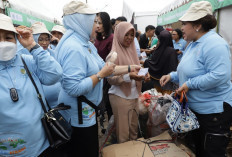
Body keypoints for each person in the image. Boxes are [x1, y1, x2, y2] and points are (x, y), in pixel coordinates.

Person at [55, 2, 140, 156]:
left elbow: (106, 67)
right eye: (94, 21)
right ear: (81, 20)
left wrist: (130, 67)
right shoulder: (73, 47)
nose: (98, 26)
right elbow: (73, 88)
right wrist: (100, 75)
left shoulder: (85, 44)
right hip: (79, 116)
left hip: (87, 111)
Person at [160, 1, 232, 157]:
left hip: (213, 115)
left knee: (211, 152)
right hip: (197, 112)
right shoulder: (192, 44)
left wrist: (189, 84)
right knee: (199, 150)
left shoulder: (215, 44)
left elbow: (220, 75)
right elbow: (188, 70)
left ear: (197, 25)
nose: (181, 27)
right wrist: (172, 75)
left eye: (185, 23)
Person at [0, 13, 62, 157]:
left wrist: (32, 46)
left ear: (16, 40)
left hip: (43, 146)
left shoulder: (27, 61)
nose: (3, 43)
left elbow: (55, 74)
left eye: (8, 37)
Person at [107, 22, 150, 143]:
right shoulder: (113, 55)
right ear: (119, 34)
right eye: (126, 34)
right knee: (123, 135)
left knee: (133, 131)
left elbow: (137, 70)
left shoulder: (132, 52)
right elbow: (110, 78)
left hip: (134, 95)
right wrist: (128, 77)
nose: (129, 38)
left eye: (132, 35)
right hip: (120, 96)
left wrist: (143, 76)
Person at [31, 22, 61, 109]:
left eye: (47, 39)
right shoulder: (26, 56)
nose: (44, 43)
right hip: (39, 106)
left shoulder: (53, 53)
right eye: (40, 39)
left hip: (58, 104)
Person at [94, 12, 114, 122]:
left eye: (100, 23)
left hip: (107, 75)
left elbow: (112, 59)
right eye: (96, 22)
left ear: (106, 23)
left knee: (108, 102)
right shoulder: (97, 38)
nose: (97, 25)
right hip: (97, 74)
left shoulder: (111, 38)